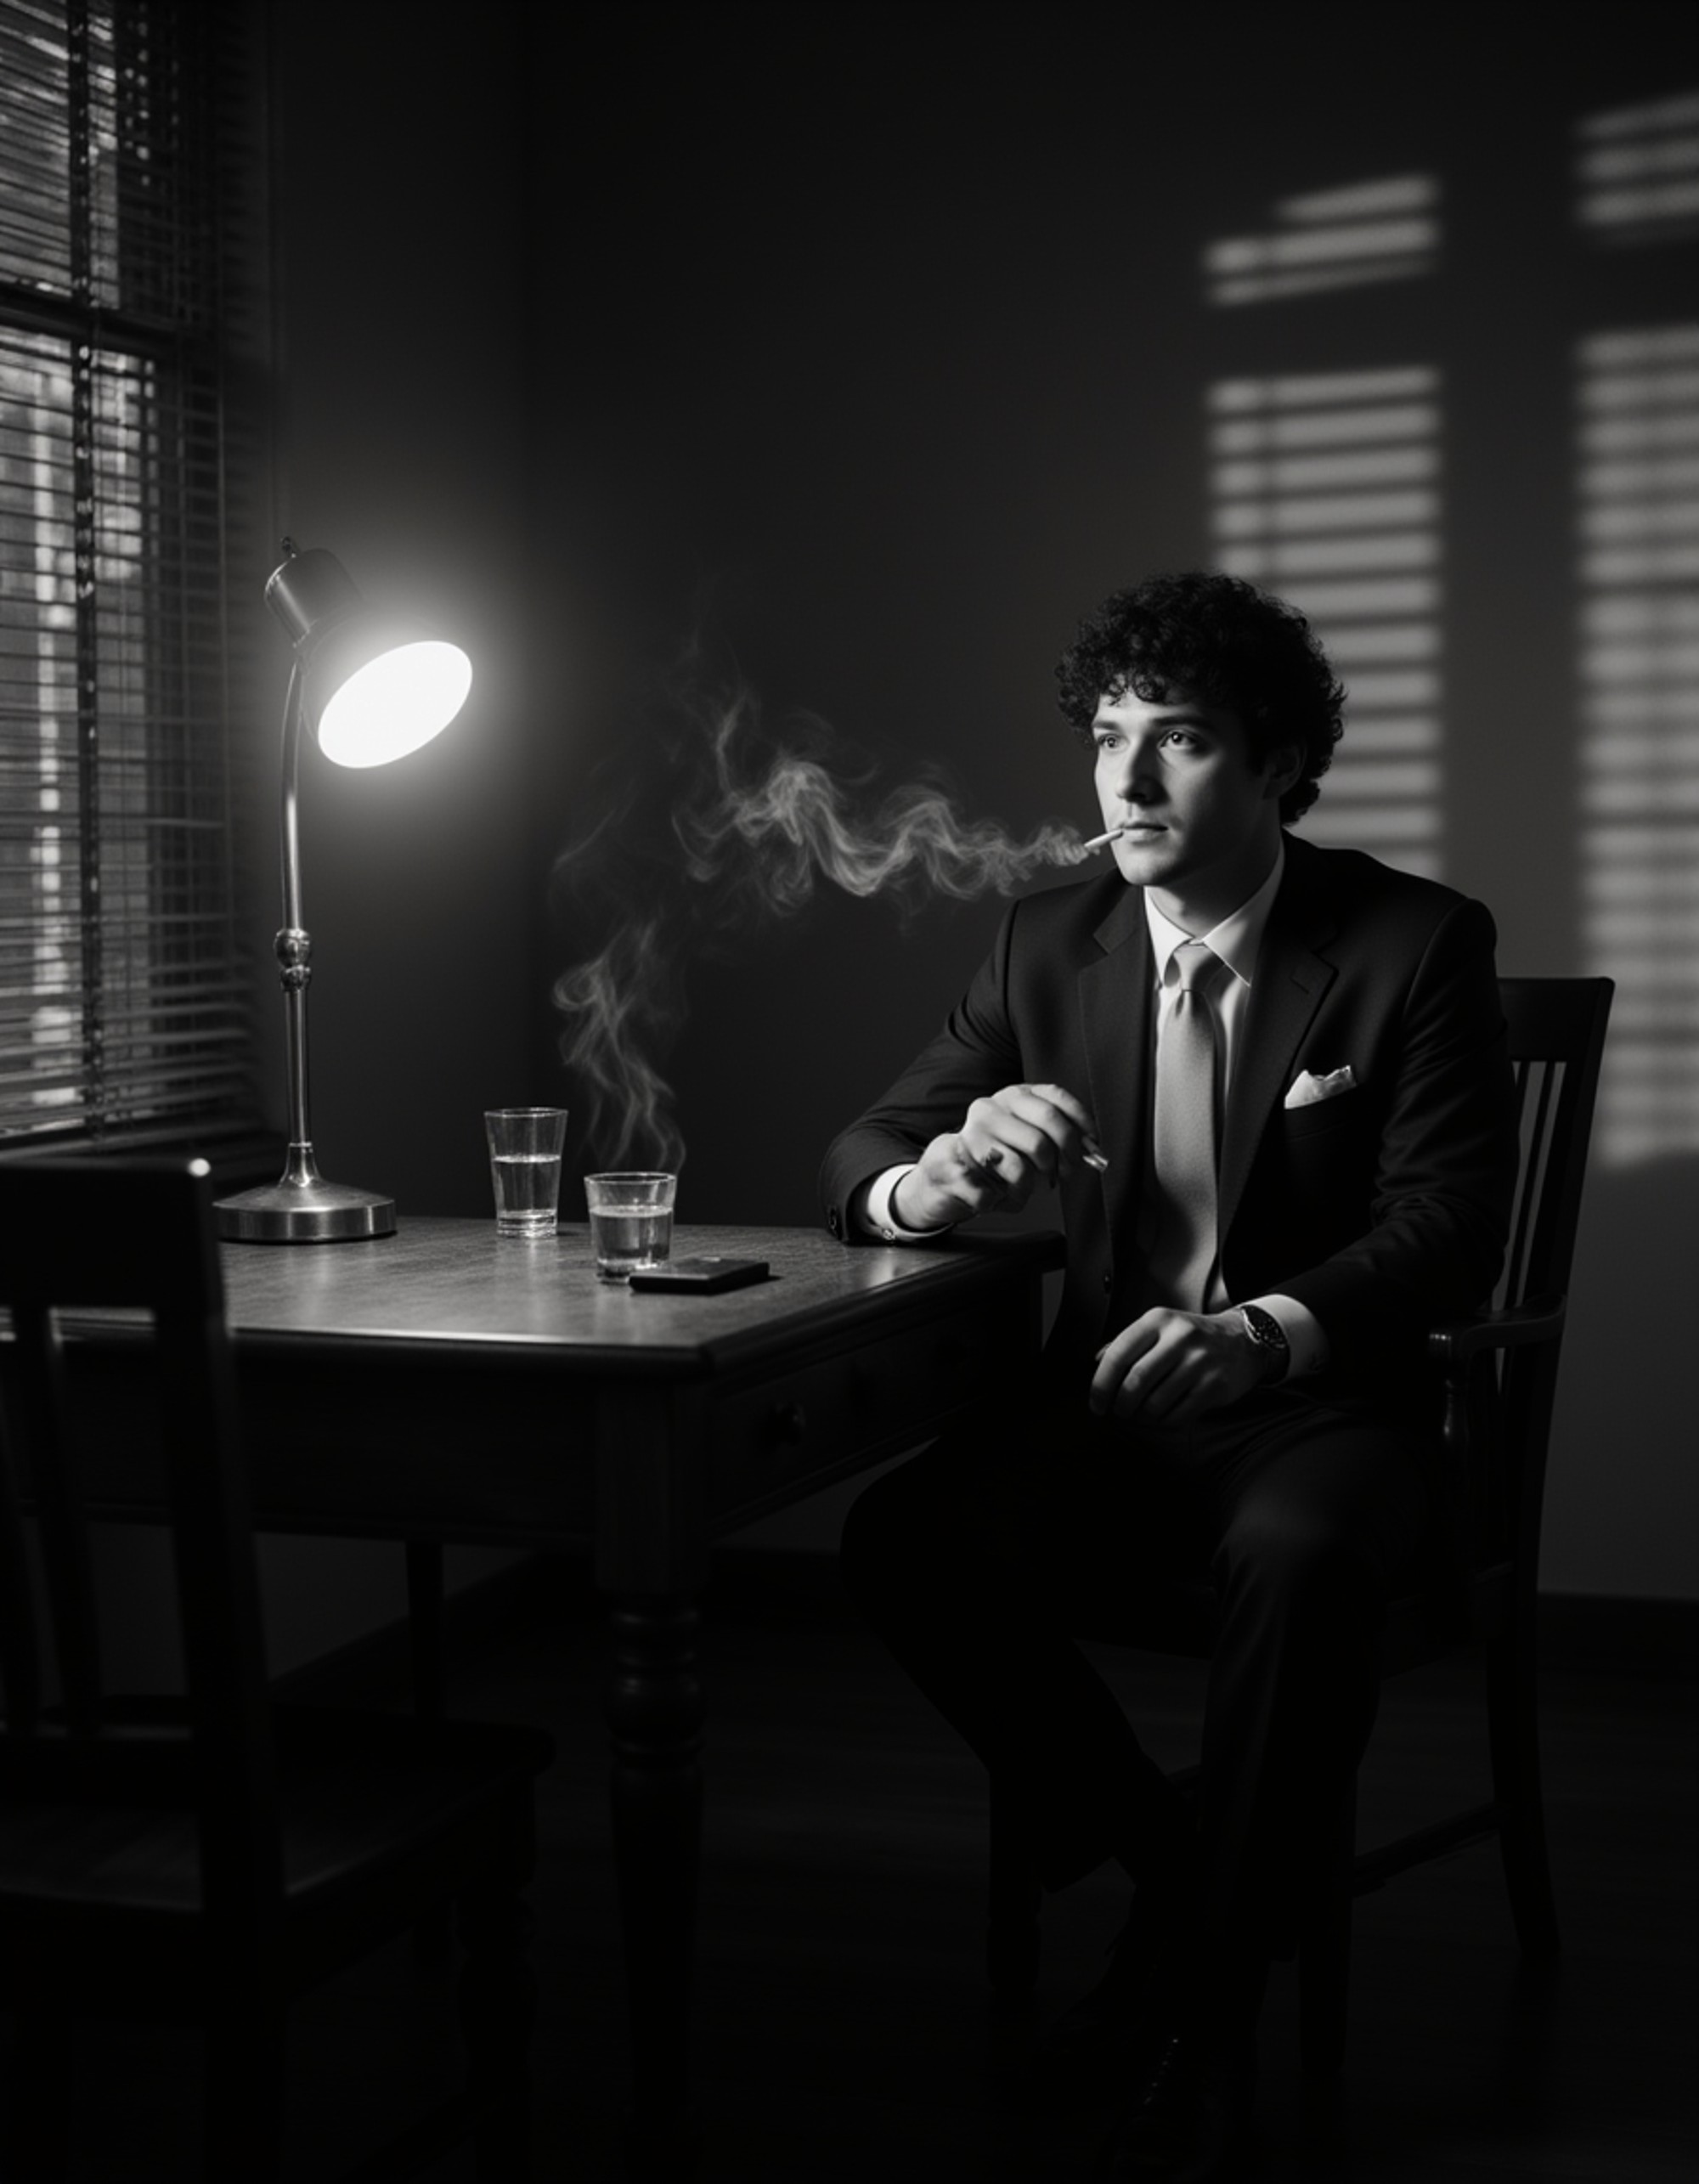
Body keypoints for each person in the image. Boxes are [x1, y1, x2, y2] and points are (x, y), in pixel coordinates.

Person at [819, 571, 1519, 2182]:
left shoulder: (1413, 942)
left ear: (1277, 765)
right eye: (1110, 740)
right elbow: (864, 1147)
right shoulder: (1046, 939)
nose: (1127, 785)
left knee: (1294, 1555)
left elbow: (1449, 1226)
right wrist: (935, 1179)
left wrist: (1260, 1331)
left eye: (1181, 743)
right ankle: (1187, 1875)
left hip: (1324, 1411)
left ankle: (1189, 2000)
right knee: (903, 1538)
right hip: (1110, 1407)